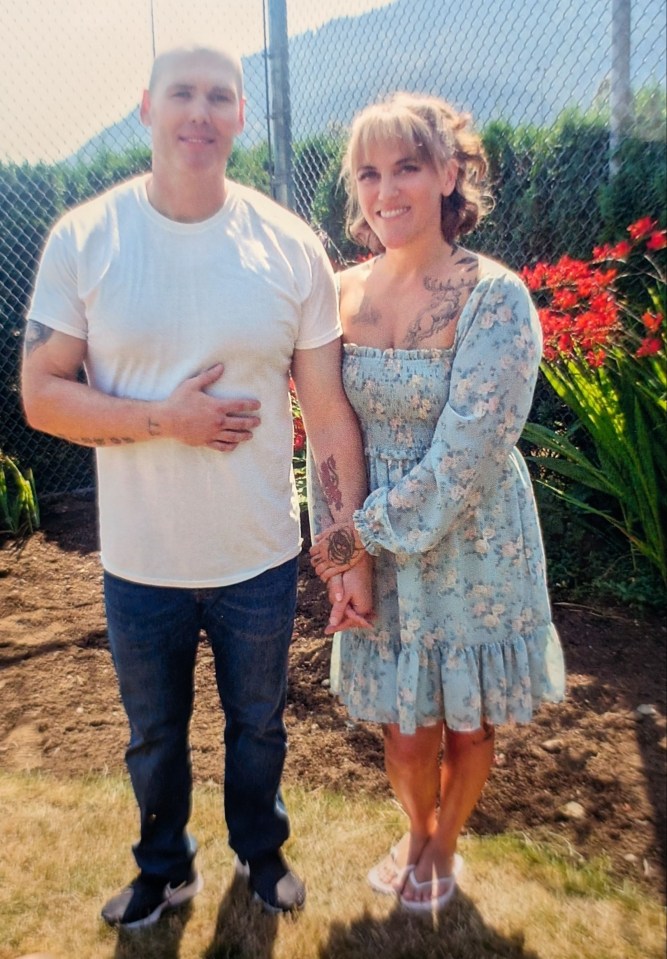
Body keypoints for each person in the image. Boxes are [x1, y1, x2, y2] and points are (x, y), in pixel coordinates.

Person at [21, 43, 373, 929]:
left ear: (241, 117)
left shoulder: (290, 246)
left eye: (221, 97)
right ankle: (164, 867)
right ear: (147, 107)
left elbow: (328, 416)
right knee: (153, 736)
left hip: (256, 555)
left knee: (259, 724)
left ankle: (261, 852)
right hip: (142, 561)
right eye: (183, 93)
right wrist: (162, 420)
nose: (200, 112)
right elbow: (39, 393)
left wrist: (340, 554)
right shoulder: (86, 237)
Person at [308, 92, 566, 913]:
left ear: (450, 174)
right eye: (369, 173)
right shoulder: (335, 296)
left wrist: (357, 539)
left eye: (407, 167)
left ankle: (441, 845)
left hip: (473, 542)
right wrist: (340, 556)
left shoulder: (497, 297)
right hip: (375, 546)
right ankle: (415, 827)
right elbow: (324, 432)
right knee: (401, 722)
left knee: (464, 722)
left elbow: (466, 455)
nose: (386, 190)